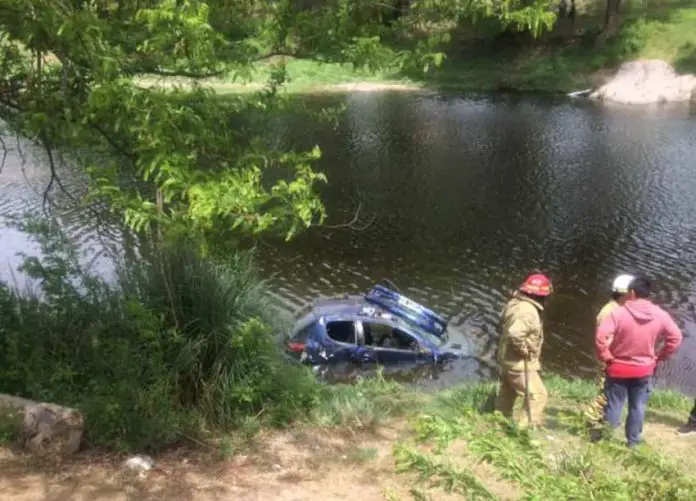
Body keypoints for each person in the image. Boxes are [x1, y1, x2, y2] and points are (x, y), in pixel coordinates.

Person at [595, 276, 683, 447]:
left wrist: (606, 356)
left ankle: (606, 438)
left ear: (632, 293)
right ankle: (633, 442)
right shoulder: (660, 315)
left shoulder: (618, 313)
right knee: (638, 405)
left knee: (614, 404)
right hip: (644, 369)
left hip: (618, 367)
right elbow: (676, 338)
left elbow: (601, 337)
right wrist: (660, 356)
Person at [496, 273, 553, 428]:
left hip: (507, 357)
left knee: (508, 390)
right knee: (538, 395)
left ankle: (498, 422)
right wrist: (523, 350)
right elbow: (515, 333)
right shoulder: (528, 311)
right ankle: (521, 431)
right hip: (518, 363)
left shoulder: (515, 303)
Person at [585, 274, 635, 434]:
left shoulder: (617, 309)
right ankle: (591, 421)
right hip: (608, 360)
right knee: (605, 392)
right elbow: (605, 339)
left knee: (608, 391)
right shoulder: (610, 312)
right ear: (625, 294)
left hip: (611, 358)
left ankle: (602, 419)